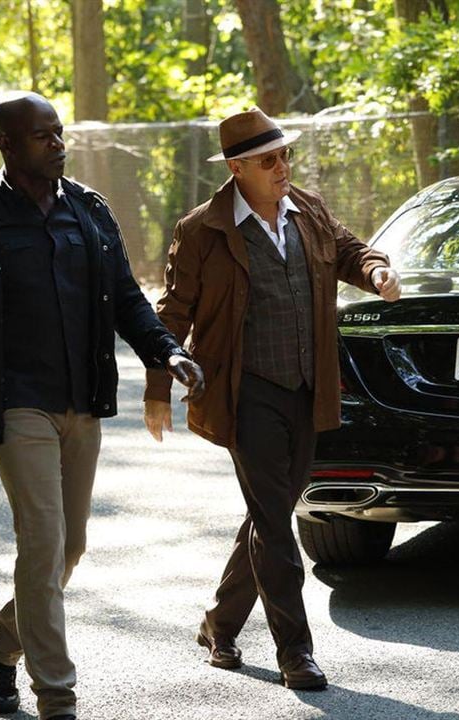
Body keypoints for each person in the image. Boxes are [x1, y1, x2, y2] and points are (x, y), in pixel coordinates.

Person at [0, 91, 204, 720]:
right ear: (7, 144)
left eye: (59, 132)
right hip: (16, 405)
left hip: (83, 400)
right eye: (43, 135)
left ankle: (1, 646)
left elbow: (127, 299)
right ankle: (58, 696)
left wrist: (166, 352)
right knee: (42, 543)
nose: (58, 143)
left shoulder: (90, 211)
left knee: (69, 548)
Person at [143, 108, 401, 690]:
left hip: (307, 388)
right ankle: (296, 652)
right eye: (268, 160)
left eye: (285, 155)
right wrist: (159, 388)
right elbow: (172, 313)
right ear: (237, 168)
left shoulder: (306, 209)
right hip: (246, 393)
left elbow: (349, 250)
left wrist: (378, 270)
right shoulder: (203, 230)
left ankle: (219, 623)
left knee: (270, 516)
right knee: (275, 524)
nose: (282, 167)